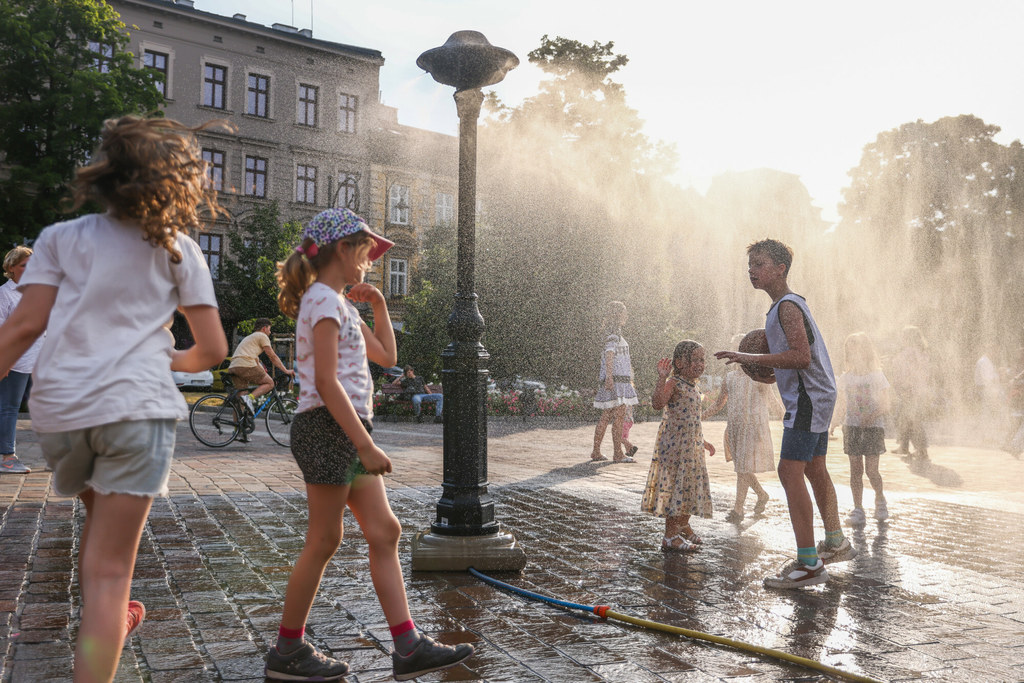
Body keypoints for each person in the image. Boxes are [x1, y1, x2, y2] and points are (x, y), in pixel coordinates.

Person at [0, 116, 228, 682]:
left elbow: (24, 327)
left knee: (98, 534)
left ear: (105, 175)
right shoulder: (178, 250)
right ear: (177, 183)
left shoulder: (58, 238)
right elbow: (213, 349)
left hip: (63, 412)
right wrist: (163, 361)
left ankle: (113, 619)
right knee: (109, 573)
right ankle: (107, 625)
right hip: (135, 410)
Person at [270, 207, 474, 682]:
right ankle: (286, 650)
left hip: (341, 428)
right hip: (328, 428)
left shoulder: (339, 304)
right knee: (324, 539)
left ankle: (408, 646)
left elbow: (386, 355)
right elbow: (324, 380)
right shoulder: (322, 301)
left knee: (384, 531)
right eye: (365, 252)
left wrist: (379, 305)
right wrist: (363, 444)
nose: (370, 261)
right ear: (344, 249)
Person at [715, 239, 855, 589]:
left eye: (760, 264)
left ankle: (808, 563)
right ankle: (835, 542)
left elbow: (800, 357)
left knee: (789, 472)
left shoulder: (786, 308)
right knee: (814, 468)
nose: (752, 270)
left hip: (809, 399)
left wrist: (749, 358)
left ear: (781, 268)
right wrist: (765, 363)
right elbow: (796, 359)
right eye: (750, 265)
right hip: (819, 395)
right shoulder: (786, 306)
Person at [641, 340, 716, 552]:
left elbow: (693, 420)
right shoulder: (674, 383)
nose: (701, 364)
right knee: (676, 488)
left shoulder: (693, 386)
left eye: (703, 360)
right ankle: (669, 536)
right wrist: (661, 378)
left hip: (690, 447)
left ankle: (683, 525)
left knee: (690, 486)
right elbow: (657, 403)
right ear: (680, 362)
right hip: (674, 448)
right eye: (696, 360)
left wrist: (703, 442)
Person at [705, 333, 779, 523]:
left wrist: (788, 419)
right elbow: (719, 404)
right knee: (742, 468)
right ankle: (762, 495)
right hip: (736, 429)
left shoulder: (758, 377)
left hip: (754, 428)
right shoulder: (729, 378)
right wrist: (699, 416)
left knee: (743, 469)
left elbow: (773, 402)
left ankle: (738, 510)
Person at [829, 332, 891, 525]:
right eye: (850, 350)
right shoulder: (846, 378)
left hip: (873, 428)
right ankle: (858, 509)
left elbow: (886, 404)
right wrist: (834, 422)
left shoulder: (877, 376)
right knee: (855, 469)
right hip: (852, 427)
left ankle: (880, 499)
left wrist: (870, 416)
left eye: (856, 349)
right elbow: (842, 404)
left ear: (865, 352)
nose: (853, 354)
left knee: (872, 470)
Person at [1, 246, 45, 474]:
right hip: (15, 361)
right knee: (9, 409)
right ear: (11, 268)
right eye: (24, 266)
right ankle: (7, 458)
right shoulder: (4, 294)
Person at [591, 300, 640, 463]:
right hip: (616, 381)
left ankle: (596, 452)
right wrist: (610, 377)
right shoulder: (614, 333)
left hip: (618, 380)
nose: (626, 315)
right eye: (624, 311)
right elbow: (609, 354)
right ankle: (617, 453)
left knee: (606, 415)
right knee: (617, 416)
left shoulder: (612, 332)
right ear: (618, 314)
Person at [228, 317, 294, 413]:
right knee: (270, 383)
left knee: (241, 399)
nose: (270, 332)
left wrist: (263, 371)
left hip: (234, 366)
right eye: (269, 329)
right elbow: (272, 356)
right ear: (264, 328)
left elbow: (256, 360)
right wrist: (286, 370)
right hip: (245, 364)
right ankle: (249, 398)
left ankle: (237, 427)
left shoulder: (250, 338)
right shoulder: (262, 336)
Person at [889, 326, 931, 462]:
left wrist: (904, 386)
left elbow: (907, 371)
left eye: (903, 336)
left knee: (913, 420)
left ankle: (921, 450)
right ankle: (904, 446)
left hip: (910, 390)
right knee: (905, 418)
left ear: (908, 338)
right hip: (917, 390)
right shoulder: (922, 352)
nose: (901, 339)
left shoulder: (911, 352)